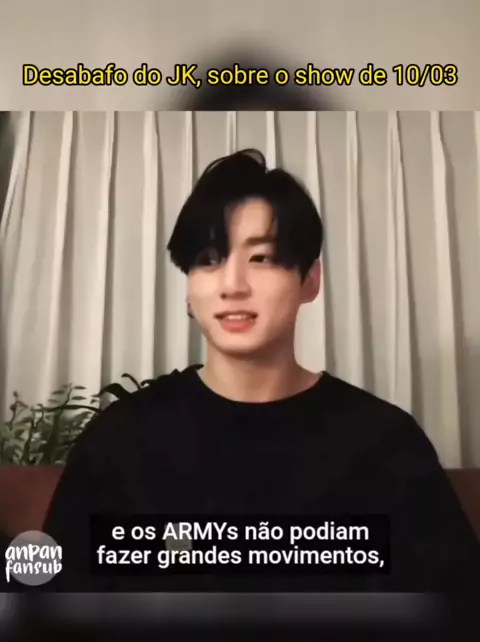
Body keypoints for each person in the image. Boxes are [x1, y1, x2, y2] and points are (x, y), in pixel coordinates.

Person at [42, 149, 480, 592]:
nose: (232, 285)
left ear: (310, 280)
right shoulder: (120, 439)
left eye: (262, 258)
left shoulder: (385, 441)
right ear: (189, 287)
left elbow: (453, 606)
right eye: (209, 258)